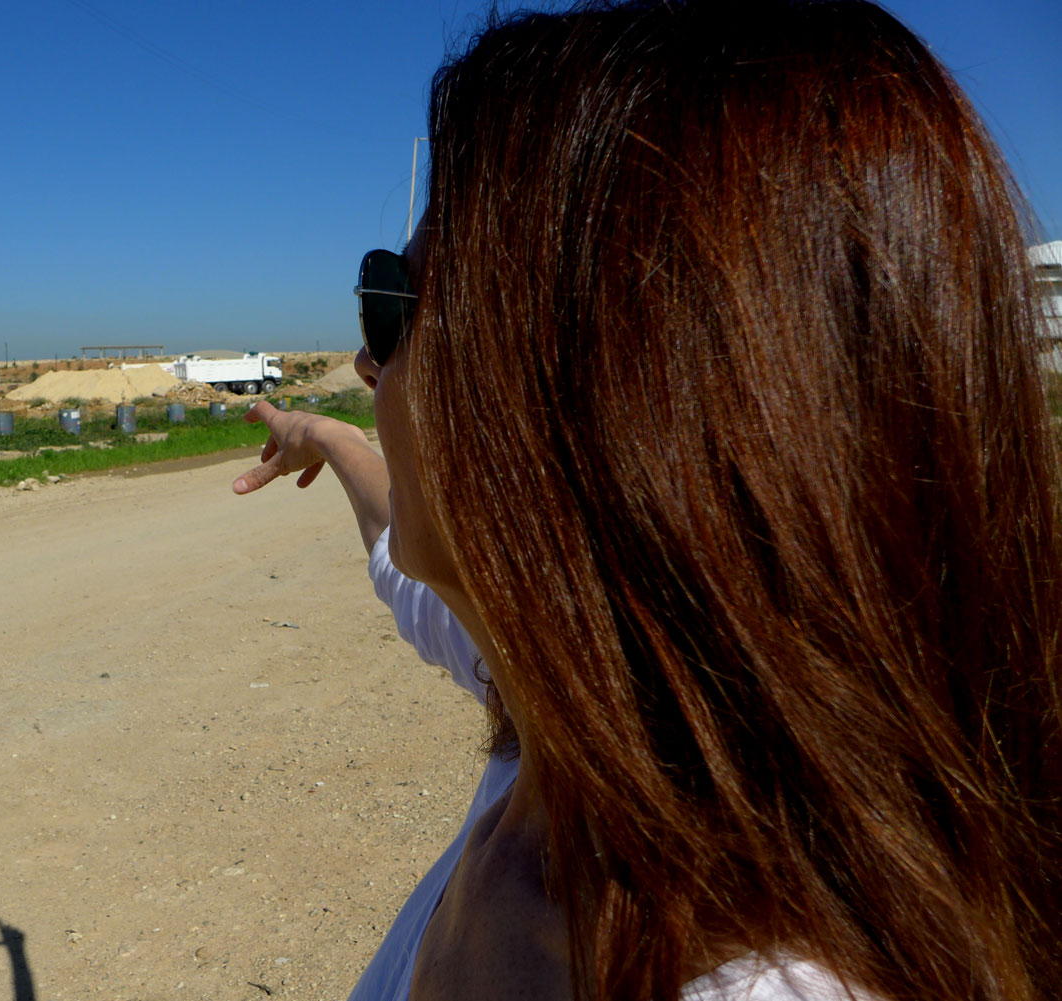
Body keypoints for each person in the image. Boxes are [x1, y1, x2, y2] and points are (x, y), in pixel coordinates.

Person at [239, 2, 1062, 998]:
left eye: (392, 303)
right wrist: (321, 435)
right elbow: (396, 557)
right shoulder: (589, 716)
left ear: (597, 397)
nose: (371, 361)